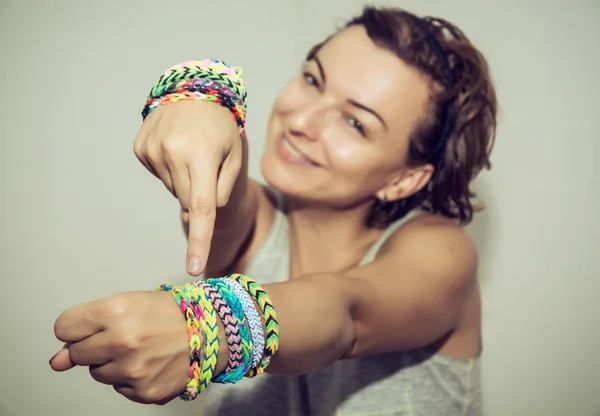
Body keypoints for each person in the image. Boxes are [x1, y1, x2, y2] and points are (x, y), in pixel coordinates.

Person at [50, 6, 497, 415]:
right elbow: (227, 174)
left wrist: (212, 328)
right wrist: (201, 96)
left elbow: (347, 314)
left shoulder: (442, 252)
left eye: (355, 122)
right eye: (312, 79)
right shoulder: (254, 223)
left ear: (405, 178)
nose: (301, 121)